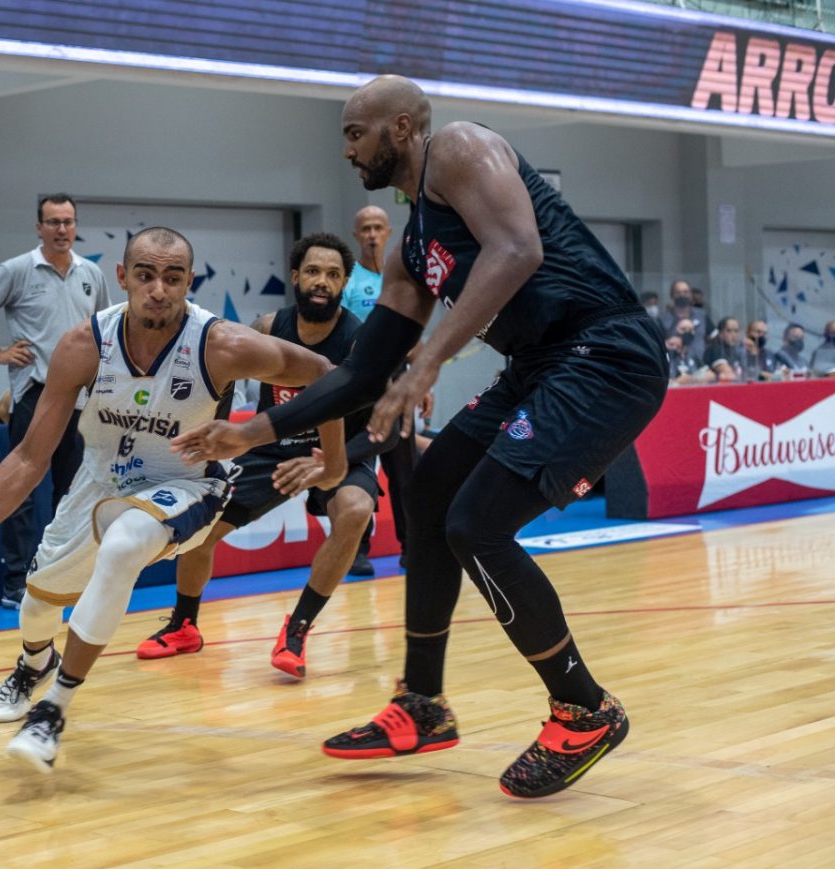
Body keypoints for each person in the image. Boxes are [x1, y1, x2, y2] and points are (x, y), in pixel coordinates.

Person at [171, 75, 669, 799]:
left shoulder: (459, 148)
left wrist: (428, 360)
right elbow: (360, 372)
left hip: (606, 355)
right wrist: (252, 431)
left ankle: (584, 708)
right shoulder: (410, 250)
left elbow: (517, 248)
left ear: (400, 128)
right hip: (539, 366)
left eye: (355, 133)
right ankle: (423, 703)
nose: (346, 151)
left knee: (477, 525)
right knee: (431, 491)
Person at [0, 227, 346, 773]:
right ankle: (34, 664)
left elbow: (327, 375)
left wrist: (326, 462)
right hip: (100, 483)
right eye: (145, 275)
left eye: (172, 277)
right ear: (122, 278)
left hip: (187, 483)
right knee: (39, 604)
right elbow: (29, 458)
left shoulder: (221, 344)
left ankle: (53, 710)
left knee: (124, 544)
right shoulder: (84, 345)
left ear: (189, 282)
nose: (158, 290)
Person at [136, 232, 396, 676]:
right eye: (313, 271)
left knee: (354, 509)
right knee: (201, 528)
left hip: (337, 452)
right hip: (272, 449)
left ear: (344, 284)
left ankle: (297, 630)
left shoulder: (360, 342)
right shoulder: (268, 328)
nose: (322, 281)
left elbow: (387, 430)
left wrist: (330, 462)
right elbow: (220, 381)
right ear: (295, 276)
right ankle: (184, 625)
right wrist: (215, 433)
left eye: (333, 275)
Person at [0, 194, 111, 608]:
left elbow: (106, 328)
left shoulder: (91, 273)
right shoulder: (17, 270)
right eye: (53, 222)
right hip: (36, 393)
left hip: (81, 398)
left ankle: (62, 577)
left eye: (68, 221)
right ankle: (14, 583)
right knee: (21, 491)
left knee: (73, 493)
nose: (62, 229)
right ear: (39, 228)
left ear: (76, 226)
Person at [342, 205, 429, 575]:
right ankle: (355, 551)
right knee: (358, 467)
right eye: (365, 229)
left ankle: (413, 548)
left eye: (378, 227)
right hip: (358, 381)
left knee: (405, 470)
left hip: (399, 379)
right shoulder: (347, 281)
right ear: (356, 235)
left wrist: (421, 380)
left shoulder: (401, 276)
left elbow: (415, 333)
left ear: (389, 231)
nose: (372, 235)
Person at [658, 280, 710, 358]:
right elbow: (658, 344)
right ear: (672, 295)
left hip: (701, 362)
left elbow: (714, 338)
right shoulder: (663, 320)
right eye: (678, 292)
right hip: (674, 362)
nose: (682, 295)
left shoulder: (702, 315)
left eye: (685, 292)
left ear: (690, 294)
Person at [702, 317, 751, 382]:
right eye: (729, 331)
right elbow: (729, 374)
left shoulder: (737, 350)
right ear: (720, 333)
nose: (733, 335)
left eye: (736, 331)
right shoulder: (715, 350)